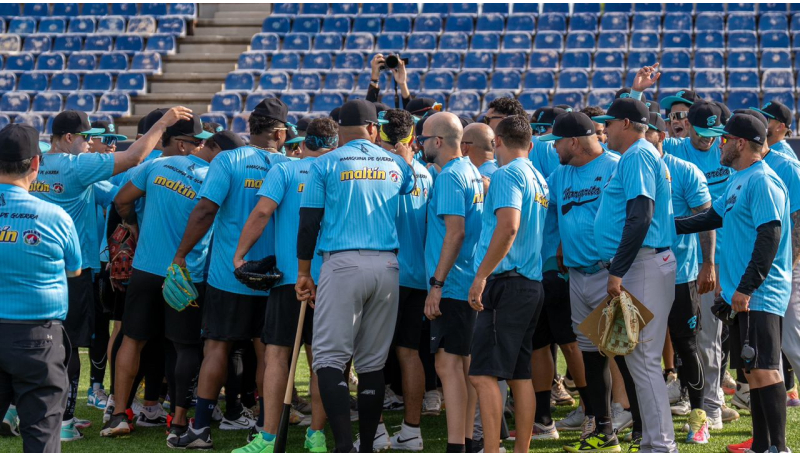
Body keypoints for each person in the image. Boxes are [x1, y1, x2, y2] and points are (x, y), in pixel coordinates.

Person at [29, 107, 191, 441]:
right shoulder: (75, 166)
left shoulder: (35, 164)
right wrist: (164, 123)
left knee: (31, 338)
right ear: (69, 137)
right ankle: (64, 421)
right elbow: (132, 158)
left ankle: (17, 410)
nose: (91, 144)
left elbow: (112, 194)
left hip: (33, 262)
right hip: (72, 268)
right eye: (86, 138)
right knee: (67, 344)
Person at [292, 99, 415, 453]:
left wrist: (304, 272)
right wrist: (403, 158)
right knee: (373, 362)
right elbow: (407, 184)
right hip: (388, 266)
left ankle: (344, 446)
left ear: (339, 129)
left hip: (342, 263)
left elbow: (309, 221)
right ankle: (367, 446)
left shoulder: (324, 163)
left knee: (329, 360)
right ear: (374, 128)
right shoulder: (395, 162)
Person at [169, 98, 291, 449]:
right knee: (270, 354)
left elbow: (205, 211)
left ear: (252, 127)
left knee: (217, 348)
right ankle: (265, 429)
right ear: (280, 133)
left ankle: (200, 429)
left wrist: (181, 255)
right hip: (274, 277)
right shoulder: (289, 166)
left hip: (229, 274)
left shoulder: (228, 159)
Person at [103, 130, 239, 442]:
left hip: (146, 269)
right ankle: (177, 421)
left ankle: (119, 414)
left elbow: (121, 200)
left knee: (132, 340)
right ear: (213, 148)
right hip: (186, 274)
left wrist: (133, 226)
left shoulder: (157, 165)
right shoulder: (217, 177)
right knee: (184, 347)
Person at [676, 113, 792, 453]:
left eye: (724, 139)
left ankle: (779, 448)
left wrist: (747, 287)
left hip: (759, 293)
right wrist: (667, 224)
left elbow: (770, 236)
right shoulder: (739, 178)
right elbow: (712, 217)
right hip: (742, 294)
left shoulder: (762, 180)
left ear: (740, 143)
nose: (719, 145)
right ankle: (762, 445)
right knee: (753, 370)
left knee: (765, 370)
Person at [634, 67, 739, 427]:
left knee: (711, 336)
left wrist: (712, 262)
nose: (709, 140)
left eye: (715, 134)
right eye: (702, 132)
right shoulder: (675, 150)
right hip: (687, 260)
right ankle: (692, 397)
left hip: (721, 256)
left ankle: (712, 404)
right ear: (685, 128)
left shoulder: (727, 152)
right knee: (687, 336)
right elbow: (638, 129)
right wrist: (637, 92)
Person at [231, 118, 340, 453]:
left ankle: (267, 437)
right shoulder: (340, 170)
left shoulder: (285, 169)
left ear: (303, 142)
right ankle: (316, 435)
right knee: (325, 360)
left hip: (291, 279)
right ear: (334, 144)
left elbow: (262, 213)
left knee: (277, 355)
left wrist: (240, 255)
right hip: (331, 279)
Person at [589, 97, 677, 453]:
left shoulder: (638, 154)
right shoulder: (638, 154)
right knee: (640, 359)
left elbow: (641, 215)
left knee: (643, 359)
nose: (605, 129)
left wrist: (618, 270)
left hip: (642, 263)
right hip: (645, 262)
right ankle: (656, 442)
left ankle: (661, 445)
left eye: (609, 123)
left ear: (625, 124)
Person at [468, 115, 548, 453]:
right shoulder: (537, 176)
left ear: (497, 141)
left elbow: (508, 227)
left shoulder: (506, 174)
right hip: (529, 283)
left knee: (482, 374)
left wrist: (481, 276)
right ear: (530, 144)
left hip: (506, 282)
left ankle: (491, 450)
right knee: (519, 374)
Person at [541, 112, 621, 450]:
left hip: (612, 273)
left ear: (574, 142)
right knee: (591, 356)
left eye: (557, 141)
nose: (554, 148)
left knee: (624, 355)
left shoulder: (615, 166)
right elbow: (547, 203)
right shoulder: (561, 174)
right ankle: (602, 427)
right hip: (577, 273)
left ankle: (640, 428)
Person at [0, 125, 81, 452]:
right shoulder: (55, 216)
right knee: (42, 437)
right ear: (36, 163)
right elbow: (74, 269)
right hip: (38, 339)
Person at [645, 112, 715, 444]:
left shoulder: (685, 170)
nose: (641, 138)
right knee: (642, 348)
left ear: (661, 136)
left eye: (648, 132)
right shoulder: (628, 168)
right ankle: (644, 420)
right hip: (640, 273)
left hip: (681, 274)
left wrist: (708, 263)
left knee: (687, 345)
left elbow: (706, 218)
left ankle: (699, 417)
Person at [422, 112, 484, 453]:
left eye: (423, 138)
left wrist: (437, 284)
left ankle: (456, 445)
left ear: (438, 141)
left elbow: (455, 233)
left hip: (454, 283)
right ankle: (467, 441)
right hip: (467, 279)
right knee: (462, 364)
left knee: (447, 365)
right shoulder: (470, 170)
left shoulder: (449, 177)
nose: (421, 144)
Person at [373, 109, 434, 451]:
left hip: (385, 273)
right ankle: (412, 432)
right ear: (412, 137)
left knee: (372, 355)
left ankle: (377, 431)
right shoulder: (425, 173)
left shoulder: (378, 171)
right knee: (409, 353)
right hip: (417, 276)